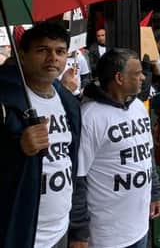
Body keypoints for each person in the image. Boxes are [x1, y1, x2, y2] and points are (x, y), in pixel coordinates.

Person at [70, 49, 160, 248]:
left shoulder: (138, 106)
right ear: (119, 78)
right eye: (137, 73)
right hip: (107, 235)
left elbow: (147, 154)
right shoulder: (90, 117)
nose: (143, 77)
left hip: (140, 227)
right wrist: (79, 232)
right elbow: (78, 179)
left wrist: (155, 192)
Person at [0, 22, 81, 248]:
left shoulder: (68, 102)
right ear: (22, 55)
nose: (52, 57)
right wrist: (17, 149)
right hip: (19, 232)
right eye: (42, 50)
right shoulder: (5, 100)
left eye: (60, 51)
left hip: (60, 230)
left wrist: (77, 224)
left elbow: (72, 160)